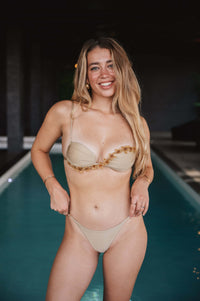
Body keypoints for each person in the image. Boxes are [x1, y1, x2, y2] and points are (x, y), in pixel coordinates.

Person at [31, 37, 154, 301]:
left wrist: (142, 182)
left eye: (111, 65)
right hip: (79, 231)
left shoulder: (137, 123)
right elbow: (38, 149)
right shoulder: (65, 113)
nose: (104, 74)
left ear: (121, 70)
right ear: (85, 75)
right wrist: (52, 184)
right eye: (95, 67)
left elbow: (146, 168)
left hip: (127, 231)